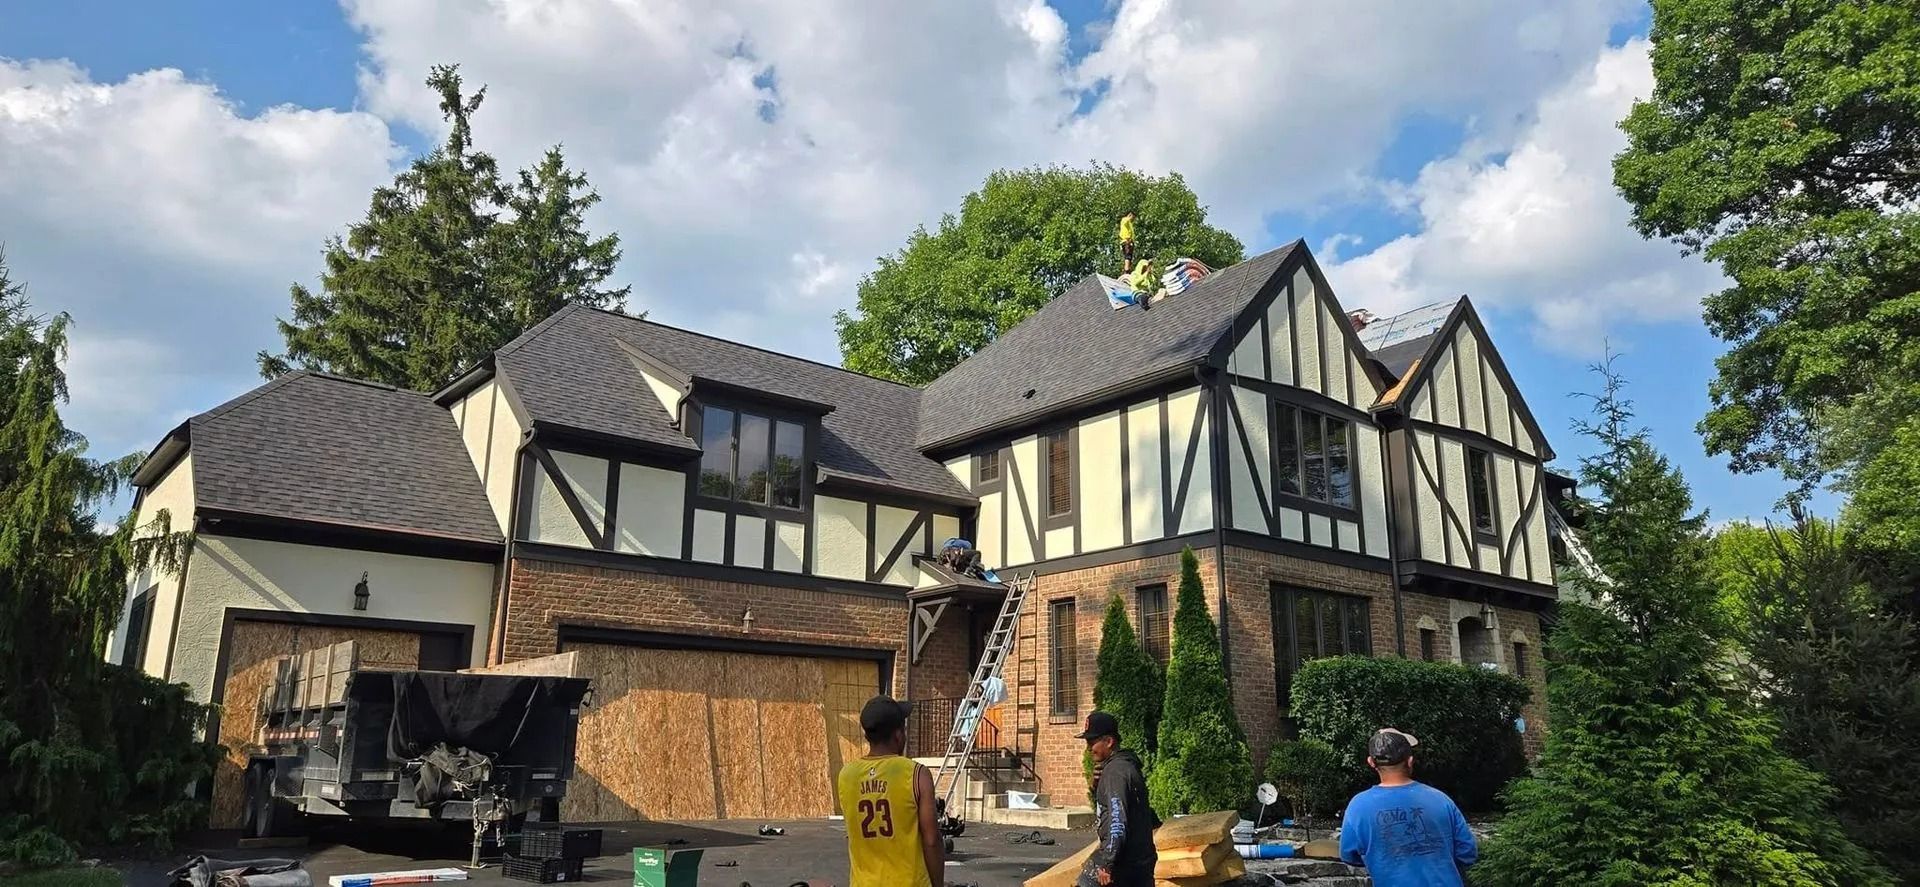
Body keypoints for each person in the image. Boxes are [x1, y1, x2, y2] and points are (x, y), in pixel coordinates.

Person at [1338, 728, 1477, 887]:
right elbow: (1467, 853)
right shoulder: (1441, 799)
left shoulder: (1358, 806)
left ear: (1371, 762)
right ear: (1410, 761)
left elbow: (1349, 855)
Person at [836, 696, 943, 887]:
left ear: (867, 736)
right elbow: (932, 840)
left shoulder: (846, 776)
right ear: (898, 735)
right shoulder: (916, 774)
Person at [1077, 711, 1156, 886]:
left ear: (1109, 741)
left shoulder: (1115, 772)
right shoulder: (1124, 766)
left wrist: (1108, 862)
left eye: (1092, 742)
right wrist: (1096, 787)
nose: (1089, 748)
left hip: (1125, 863)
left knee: (1087, 880)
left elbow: (1117, 819)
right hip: (1138, 860)